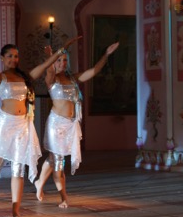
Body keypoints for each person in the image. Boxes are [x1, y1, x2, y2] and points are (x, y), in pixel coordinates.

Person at [0, 32, 80, 217]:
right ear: (3, 58)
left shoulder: (25, 77)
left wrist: (62, 48)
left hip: (22, 125)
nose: (13, 59)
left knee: (18, 168)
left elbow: (45, 65)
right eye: (10, 56)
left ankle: (15, 209)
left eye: (16, 56)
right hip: (5, 124)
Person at [35, 41, 120, 208]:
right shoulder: (51, 78)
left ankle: (39, 182)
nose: (62, 63)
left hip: (70, 125)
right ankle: (63, 197)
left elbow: (93, 71)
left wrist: (106, 54)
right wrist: (50, 56)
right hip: (56, 125)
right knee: (58, 161)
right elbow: (50, 70)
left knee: (53, 158)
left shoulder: (72, 78)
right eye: (59, 60)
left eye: (64, 60)